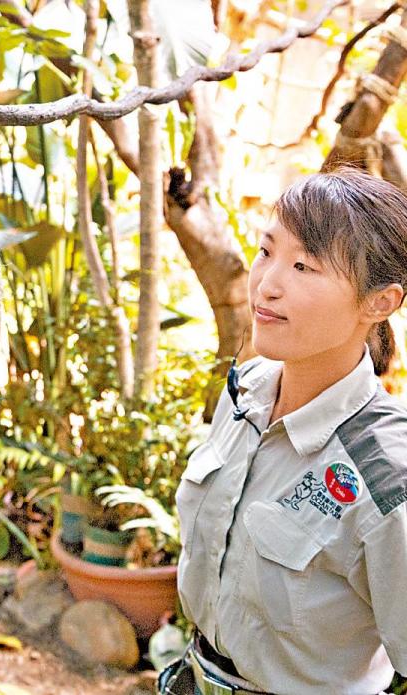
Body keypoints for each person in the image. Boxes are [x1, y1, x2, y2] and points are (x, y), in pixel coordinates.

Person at [159, 168, 407, 695]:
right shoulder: (245, 390)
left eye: (304, 266)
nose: (268, 284)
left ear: (380, 302)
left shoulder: (387, 474)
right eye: (267, 252)